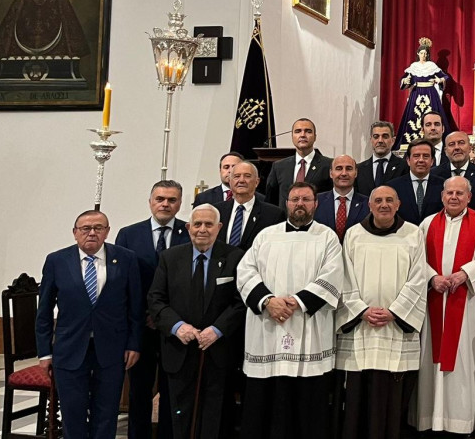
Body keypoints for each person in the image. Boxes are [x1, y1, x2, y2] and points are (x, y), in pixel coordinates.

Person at [236, 182, 346, 439]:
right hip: (268, 329)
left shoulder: (327, 236)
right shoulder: (266, 235)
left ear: (316, 204)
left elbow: (333, 274)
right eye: (295, 199)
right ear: (286, 203)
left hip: (309, 328)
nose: (300, 204)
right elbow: (245, 271)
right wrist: (267, 301)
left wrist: (297, 301)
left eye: (306, 199)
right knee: (267, 399)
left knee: (308, 401)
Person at [37, 210, 142, 439]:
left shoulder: (125, 258)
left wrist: (134, 344)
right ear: (75, 233)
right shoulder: (57, 260)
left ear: (107, 232)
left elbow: (135, 307)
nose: (92, 233)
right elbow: (44, 310)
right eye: (85, 228)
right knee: (73, 412)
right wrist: (45, 352)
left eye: (98, 228)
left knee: (106, 412)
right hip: (70, 348)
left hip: (112, 348)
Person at [334, 186, 428, 439]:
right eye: (378, 200)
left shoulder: (412, 234)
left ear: (398, 204)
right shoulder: (354, 235)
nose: (384, 204)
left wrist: (396, 311)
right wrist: (361, 310)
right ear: (369, 205)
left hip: (396, 327)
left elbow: (419, 278)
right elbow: (344, 277)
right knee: (356, 394)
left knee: (391, 396)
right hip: (361, 327)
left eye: (389, 200)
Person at [148, 204, 246, 439]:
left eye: (208, 224)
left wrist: (217, 330)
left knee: (215, 415)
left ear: (219, 227)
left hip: (218, 351)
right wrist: (177, 327)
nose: (202, 229)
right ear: (188, 227)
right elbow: (156, 299)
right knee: (179, 415)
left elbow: (240, 301)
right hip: (178, 350)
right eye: (197, 224)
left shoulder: (235, 257)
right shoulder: (170, 257)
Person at [411, 177, 475, 434]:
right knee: (429, 360)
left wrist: (466, 274)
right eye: (449, 193)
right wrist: (432, 277)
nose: (454, 197)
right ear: (442, 195)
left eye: (460, 193)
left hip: (466, 301)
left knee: (465, 359)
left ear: (469, 196)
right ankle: (428, 418)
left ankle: (460, 421)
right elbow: (415, 259)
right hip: (433, 300)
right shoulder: (427, 224)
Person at [115, 180, 190, 439]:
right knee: (139, 389)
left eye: (171, 200)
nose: (165, 204)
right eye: (160, 199)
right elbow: (123, 282)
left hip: (175, 326)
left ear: (180, 204)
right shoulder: (128, 234)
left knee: (172, 390)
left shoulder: (189, 232)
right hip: (140, 326)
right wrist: (145, 316)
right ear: (150, 202)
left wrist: (165, 318)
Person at [395, 37, 455, 150]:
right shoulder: (414, 67)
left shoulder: (432, 66)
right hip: (416, 94)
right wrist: (405, 81)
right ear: (418, 53)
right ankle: (411, 142)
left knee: (433, 116)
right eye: (421, 53)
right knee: (413, 117)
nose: (423, 55)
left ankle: (436, 142)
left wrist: (439, 80)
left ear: (427, 54)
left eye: (425, 53)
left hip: (430, 94)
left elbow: (444, 77)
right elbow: (404, 79)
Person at [214, 161, 285, 252]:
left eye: (247, 176)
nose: (241, 180)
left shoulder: (274, 215)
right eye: (237, 176)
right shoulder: (217, 211)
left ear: (256, 182)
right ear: (230, 182)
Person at [264, 118, 333, 208]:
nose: (303, 135)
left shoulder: (328, 165)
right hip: (285, 220)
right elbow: (270, 202)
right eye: (298, 131)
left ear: (315, 137)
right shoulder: (279, 167)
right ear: (292, 136)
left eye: (308, 131)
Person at [431, 131, 475, 217]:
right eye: (451, 144)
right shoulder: (434, 174)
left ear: (470, 148)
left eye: (461, 143)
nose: (457, 147)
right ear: (446, 151)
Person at [387, 139, 445, 225]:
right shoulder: (393, 187)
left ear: (432, 161)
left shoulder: (444, 185)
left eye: (425, 156)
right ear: (408, 160)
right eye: (416, 156)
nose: (421, 160)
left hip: (434, 235)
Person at [313, 155, 369, 241]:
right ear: (331, 173)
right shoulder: (316, 202)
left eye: (349, 169)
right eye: (339, 168)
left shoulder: (368, 204)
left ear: (356, 173)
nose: (344, 173)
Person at [356, 121, 410, 196]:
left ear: (393, 140)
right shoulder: (359, 169)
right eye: (376, 137)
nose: (380, 140)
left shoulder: (404, 166)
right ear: (371, 140)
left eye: (385, 136)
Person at [195, 152, 267, 205]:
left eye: (234, 167)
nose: (230, 171)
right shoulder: (203, 198)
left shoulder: (262, 199)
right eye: (226, 167)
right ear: (220, 171)